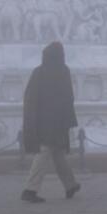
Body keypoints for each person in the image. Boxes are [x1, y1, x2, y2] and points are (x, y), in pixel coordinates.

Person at [21, 41, 81, 202]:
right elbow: (69, 97)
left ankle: (70, 185)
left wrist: (31, 119)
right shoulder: (64, 71)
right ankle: (30, 189)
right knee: (45, 152)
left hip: (42, 120)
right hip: (58, 120)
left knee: (57, 153)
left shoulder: (39, 72)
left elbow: (30, 98)